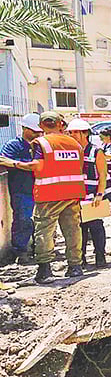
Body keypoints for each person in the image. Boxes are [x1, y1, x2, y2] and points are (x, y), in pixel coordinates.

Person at [29, 111, 85, 283]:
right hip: (72, 192)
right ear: (61, 124)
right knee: (73, 229)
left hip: (48, 194)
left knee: (45, 230)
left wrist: (12, 163)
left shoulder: (41, 143)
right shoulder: (75, 144)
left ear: (40, 126)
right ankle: (75, 267)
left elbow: (38, 168)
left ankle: (45, 270)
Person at [0, 113, 42, 265]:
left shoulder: (41, 145)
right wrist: (22, 165)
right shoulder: (13, 145)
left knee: (41, 221)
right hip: (21, 190)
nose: (38, 134)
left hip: (41, 189)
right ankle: (21, 251)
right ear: (25, 129)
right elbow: (3, 160)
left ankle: (40, 249)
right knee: (23, 220)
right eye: (35, 131)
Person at [67, 118, 109, 268]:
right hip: (75, 195)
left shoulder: (96, 151)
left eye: (76, 132)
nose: (72, 135)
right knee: (79, 228)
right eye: (70, 132)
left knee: (96, 226)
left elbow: (102, 174)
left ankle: (100, 256)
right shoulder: (70, 151)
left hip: (92, 196)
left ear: (85, 133)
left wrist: (99, 194)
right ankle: (81, 257)